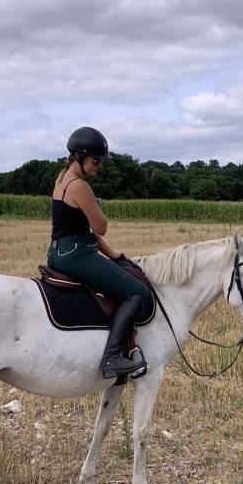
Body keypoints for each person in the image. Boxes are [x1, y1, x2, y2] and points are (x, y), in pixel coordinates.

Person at [48, 127, 152, 378]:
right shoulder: (80, 186)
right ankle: (112, 358)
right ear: (79, 157)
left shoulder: (61, 177)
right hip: (77, 256)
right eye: (96, 161)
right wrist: (95, 206)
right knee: (137, 291)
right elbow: (100, 227)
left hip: (59, 251)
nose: (99, 166)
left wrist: (114, 256)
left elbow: (85, 231)